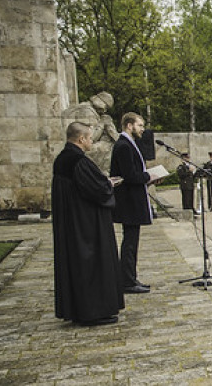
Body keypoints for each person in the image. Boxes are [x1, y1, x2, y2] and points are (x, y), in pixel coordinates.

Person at [53, 122, 125, 325]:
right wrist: (108, 184)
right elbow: (97, 190)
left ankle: (80, 310)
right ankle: (92, 311)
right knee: (91, 262)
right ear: (81, 139)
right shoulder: (77, 161)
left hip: (71, 221)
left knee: (76, 262)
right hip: (85, 223)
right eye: (90, 138)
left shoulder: (62, 160)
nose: (92, 141)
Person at [110, 112, 155, 294]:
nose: (142, 129)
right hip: (128, 202)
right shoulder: (123, 146)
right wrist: (147, 176)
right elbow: (129, 175)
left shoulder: (129, 144)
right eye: (140, 125)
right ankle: (127, 281)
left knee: (132, 242)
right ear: (129, 125)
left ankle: (130, 277)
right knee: (129, 243)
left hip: (132, 200)